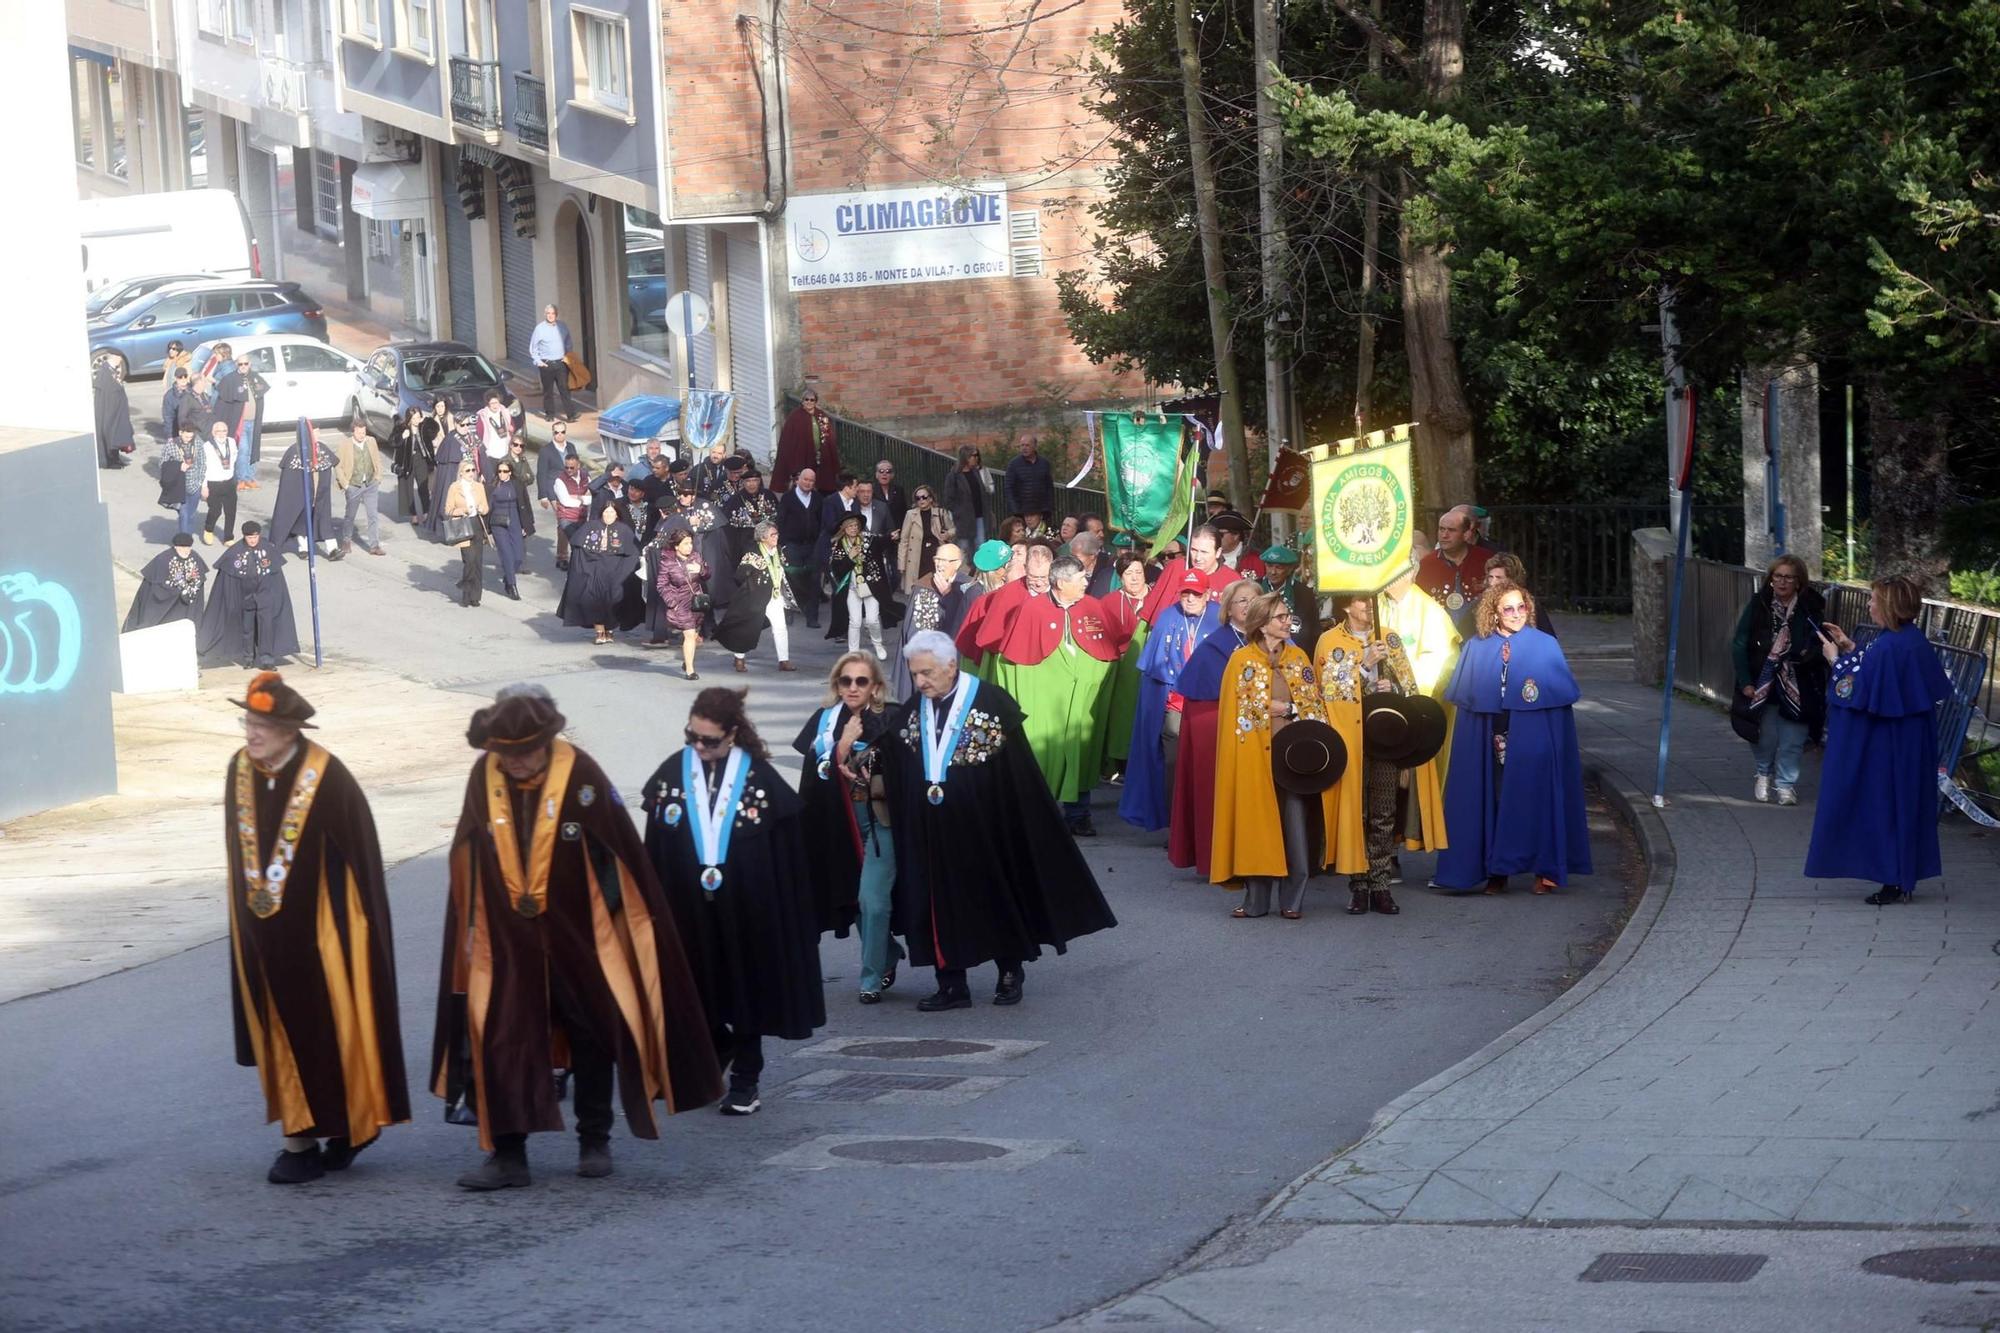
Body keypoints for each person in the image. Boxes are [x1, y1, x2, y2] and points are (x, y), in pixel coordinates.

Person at [437, 687, 722, 1188]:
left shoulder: (582, 774)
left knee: (593, 1034)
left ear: (548, 740)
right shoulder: (484, 776)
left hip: (580, 933)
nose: (517, 763)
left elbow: (618, 853)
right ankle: (508, 1154)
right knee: (505, 1037)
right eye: (507, 753)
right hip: (506, 938)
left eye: (525, 752)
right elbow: (470, 851)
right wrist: (472, 924)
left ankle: (594, 1140)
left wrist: (610, 916)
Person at [223, 672, 409, 1183]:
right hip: (264, 934)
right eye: (248, 721)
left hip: (325, 935)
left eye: (262, 724)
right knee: (278, 1027)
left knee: (331, 1031)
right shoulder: (239, 769)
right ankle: (298, 1144)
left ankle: (352, 1125)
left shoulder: (328, 776)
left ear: (290, 730)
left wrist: (361, 939)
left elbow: (362, 861)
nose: (252, 733)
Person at [885, 631, 1118, 1010]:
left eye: (926, 673)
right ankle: (951, 983)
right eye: (915, 674)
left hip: (985, 825)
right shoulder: (915, 708)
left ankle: (1009, 971)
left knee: (997, 894)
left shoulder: (992, 704)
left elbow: (1018, 774)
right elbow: (897, 758)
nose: (920, 681)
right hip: (932, 830)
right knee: (937, 902)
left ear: (950, 666)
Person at [644, 688, 824, 1116]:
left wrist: (786, 910)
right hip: (688, 906)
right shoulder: (675, 771)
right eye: (692, 735)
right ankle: (714, 1046)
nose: (698, 746)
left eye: (708, 740)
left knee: (746, 990)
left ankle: (746, 1079)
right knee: (691, 985)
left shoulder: (759, 778)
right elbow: (655, 846)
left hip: (747, 908)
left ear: (732, 735)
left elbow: (788, 854)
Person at [1434, 583, 1592, 894]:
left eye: (1522, 607)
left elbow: (1558, 706)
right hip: (1491, 731)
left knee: (1537, 798)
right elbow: (1469, 701)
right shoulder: (1477, 648)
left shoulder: (1545, 646)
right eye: (1509, 609)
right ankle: (1496, 871)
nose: (1517, 614)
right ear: (1493, 613)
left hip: (1533, 733)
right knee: (1494, 798)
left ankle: (1544, 869)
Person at [1806, 575, 1952, 904]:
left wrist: (1833, 657)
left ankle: (1893, 880)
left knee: (1886, 804)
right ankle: (1903, 875)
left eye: (1873, 600)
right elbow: (1879, 675)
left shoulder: (1890, 644)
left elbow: (1855, 691)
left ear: (1888, 605)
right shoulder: (1909, 639)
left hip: (1889, 743)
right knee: (1906, 805)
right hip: (1910, 739)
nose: (1869, 605)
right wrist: (1850, 647)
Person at [974, 553, 1130, 836]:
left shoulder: (1093, 607)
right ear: (1061, 582)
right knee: (1041, 753)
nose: (1086, 583)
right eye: (1080, 579)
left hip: (1082, 699)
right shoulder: (1031, 610)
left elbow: (1111, 650)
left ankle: (1078, 815)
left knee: (1081, 752)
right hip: (1044, 702)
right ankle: (1038, 815)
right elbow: (1013, 661)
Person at [1215, 593, 1330, 919]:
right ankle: (1256, 901)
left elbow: (1314, 705)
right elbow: (1235, 712)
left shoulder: (1298, 658)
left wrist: (1288, 709)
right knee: (1257, 827)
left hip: (1293, 757)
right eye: (1280, 616)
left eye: (1287, 615)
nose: (1286, 621)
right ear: (1262, 623)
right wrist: (1266, 710)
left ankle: (1293, 899)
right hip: (1254, 755)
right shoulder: (1241, 661)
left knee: (1294, 826)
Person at [1314, 593, 1427, 915]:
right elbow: (1327, 692)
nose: (1370, 607)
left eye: (1373, 601)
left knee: (1383, 811)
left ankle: (1381, 884)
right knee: (1356, 811)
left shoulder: (1388, 637)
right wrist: (1363, 667)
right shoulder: (1330, 640)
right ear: (1348, 606)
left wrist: (1392, 687)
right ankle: (1358, 885)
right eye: (1364, 601)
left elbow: (1411, 687)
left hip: (1386, 737)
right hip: (1350, 739)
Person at [797, 655, 898, 1002]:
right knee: (851, 899)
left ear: (875, 686)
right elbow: (813, 779)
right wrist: (842, 745)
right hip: (839, 825)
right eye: (846, 681)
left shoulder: (892, 718)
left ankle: (871, 978)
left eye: (861, 681)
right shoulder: (824, 720)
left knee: (873, 901)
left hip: (880, 825)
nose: (852, 687)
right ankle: (887, 955)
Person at [1168, 579, 1261, 877]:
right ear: (1228, 610)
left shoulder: (1277, 640)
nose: (1248, 606)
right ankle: (1219, 857)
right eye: (1241, 601)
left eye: (1254, 600)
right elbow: (1202, 705)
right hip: (1226, 730)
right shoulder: (1212, 648)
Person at [1120, 570, 1219, 832]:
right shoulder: (1168, 616)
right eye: (1185, 593)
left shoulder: (1219, 617)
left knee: (1209, 767)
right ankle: (1178, 827)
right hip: (1175, 706)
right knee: (1174, 766)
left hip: (1210, 706)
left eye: (1196, 594)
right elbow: (1154, 671)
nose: (1189, 599)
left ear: (1207, 594)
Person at [1730, 555, 1827, 806]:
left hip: (1798, 682)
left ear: (1799, 582)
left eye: (1789, 577)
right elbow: (1740, 643)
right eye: (1778, 576)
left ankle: (1786, 785)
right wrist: (1746, 681)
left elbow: (1820, 642)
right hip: (1763, 680)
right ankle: (1763, 774)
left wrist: (1807, 654)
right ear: (1771, 579)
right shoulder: (1759, 604)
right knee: (1766, 735)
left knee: (1793, 738)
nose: (1782, 582)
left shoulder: (1810, 608)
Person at [199, 522, 301, 669]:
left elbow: (277, 576)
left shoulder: (268, 549)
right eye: (249, 537)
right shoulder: (236, 552)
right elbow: (226, 574)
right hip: (245, 597)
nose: (252, 540)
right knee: (247, 629)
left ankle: (267, 660)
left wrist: (274, 597)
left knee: (266, 628)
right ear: (244, 536)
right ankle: (248, 658)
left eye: (255, 537)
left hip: (265, 596)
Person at [890, 540, 974, 699]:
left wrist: (949, 596)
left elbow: (965, 622)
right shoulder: (924, 586)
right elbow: (912, 628)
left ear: (957, 564)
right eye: (937, 560)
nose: (939, 565)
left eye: (945, 561)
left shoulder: (967, 587)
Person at [1097, 550, 1150, 784]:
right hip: (1120, 670)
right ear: (1120, 577)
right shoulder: (1108, 602)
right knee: (1122, 718)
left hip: (1149, 666)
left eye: (1138, 572)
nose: (1135, 578)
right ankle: (1121, 763)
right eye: (1129, 573)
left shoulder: (1157, 598)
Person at [715, 521, 796, 674]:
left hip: (774, 595)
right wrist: (752, 570)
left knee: (780, 627)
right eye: (773, 535)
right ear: (763, 537)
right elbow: (739, 576)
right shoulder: (752, 553)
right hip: (755, 597)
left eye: (776, 534)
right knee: (747, 627)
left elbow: (783, 569)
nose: (776, 537)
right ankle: (739, 658)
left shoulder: (778, 550)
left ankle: (783, 660)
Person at [559, 502, 643, 644]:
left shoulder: (624, 530)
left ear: (617, 514)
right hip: (594, 569)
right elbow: (579, 547)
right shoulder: (591, 526)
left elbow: (633, 553)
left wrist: (624, 572)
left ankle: (609, 630)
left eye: (611, 513)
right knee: (594, 599)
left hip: (615, 571)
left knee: (613, 599)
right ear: (601, 513)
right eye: (606, 512)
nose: (608, 515)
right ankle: (599, 632)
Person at [1417, 505, 1497, 639]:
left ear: (1466, 534)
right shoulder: (1426, 565)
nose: (1444, 535)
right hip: (1438, 639)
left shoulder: (1487, 561)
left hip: (1482, 637)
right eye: (1441, 529)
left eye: (1451, 530)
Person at [826, 510, 895, 660]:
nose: (853, 528)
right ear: (844, 528)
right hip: (851, 588)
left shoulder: (868, 539)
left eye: (856, 525)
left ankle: (878, 644)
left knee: (872, 620)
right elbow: (837, 570)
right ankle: (853, 652)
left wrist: (891, 537)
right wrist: (850, 558)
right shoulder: (838, 546)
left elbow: (882, 542)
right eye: (850, 526)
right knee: (855, 621)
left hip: (871, 586)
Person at [269, 431, 343, 561]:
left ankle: (332, 549)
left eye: (318, 432)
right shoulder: (295, 451)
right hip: (301, 493)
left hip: (319, 493)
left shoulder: (322, 449)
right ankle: (303, 548)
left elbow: (333, 463)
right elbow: (289, 479)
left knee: (324, 521)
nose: (317, 435)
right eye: (314, 432)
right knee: (301, 520)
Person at [1138, 526, 1236, 624]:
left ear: (1218, 552)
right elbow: (1150, 610)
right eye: (1194, 550)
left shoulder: (1231, 580)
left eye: (1204, 552)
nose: (1198, 558)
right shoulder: (1176, 567)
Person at [648, 527, 709, 679]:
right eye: (686, 543)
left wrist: (701, 569)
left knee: (693, 634)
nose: (690, 546)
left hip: (696, 601)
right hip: (679, 601)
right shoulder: (667, 562)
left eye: (691, 543)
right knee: (689, 634)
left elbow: (708, 574)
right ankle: (690, 670)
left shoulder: (696, 557)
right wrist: (672, 601)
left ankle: (687, 660)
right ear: (677, 546)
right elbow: (661, 585)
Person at [124, 532, 207, 630]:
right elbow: (155, 591)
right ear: (176, 547)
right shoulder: (163, 560)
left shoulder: (194, 559)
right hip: (165, 610)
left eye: (188, 547)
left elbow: (197, 579)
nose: (186, 551)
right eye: (183, 547)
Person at [776, 465, 824, 627]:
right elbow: (780, 521)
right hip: (792, 545)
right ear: (798, 480)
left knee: (814, 580)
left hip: (812, 546)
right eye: (805, 479)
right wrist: (781, 543)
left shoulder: (818, 499)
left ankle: (812, 617)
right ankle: (790, 610)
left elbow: (821, 522)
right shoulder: (788, 498)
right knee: (792, 578)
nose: (808, 483)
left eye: (811, 481)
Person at [771, 387, 840, 493]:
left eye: (812, 400)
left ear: (816, 401)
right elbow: (788, 439)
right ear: (802, 401)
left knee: (821, 481)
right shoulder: (795, 416)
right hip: (802, 455)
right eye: (806, 399)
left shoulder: (821, 415)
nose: (809, 402)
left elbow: (828, 434)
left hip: (820, 454)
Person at [333, 420, 385, 559]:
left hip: (370, 484)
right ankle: (346, 540)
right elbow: (337, 466)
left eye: (364, 432)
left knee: (373, 515)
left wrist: (378, 477)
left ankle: (374, 546)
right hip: (353, 485)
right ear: (353, 432)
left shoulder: (371, 441)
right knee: (350, 516)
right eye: (359, 432)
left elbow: (377, 459)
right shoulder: (345, 445)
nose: (362, 435)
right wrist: (345, 484)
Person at [487, 456, 534, 600]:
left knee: (518, 556)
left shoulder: (517, 485)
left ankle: (508, 576)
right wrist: (488, 531)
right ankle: (512, 585)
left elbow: (526, 504)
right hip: (497, 522)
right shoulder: (492, 486)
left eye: (505, 471)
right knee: (507, 554)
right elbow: (487, 508)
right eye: (499, 471)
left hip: (514, 520)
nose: (502, 474)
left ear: (510, 472)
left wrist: (527, 524)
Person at [896, 483, 956, 591]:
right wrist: (901, 563)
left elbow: (954, 529)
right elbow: (904, 540)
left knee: (937, 586)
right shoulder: (910, 515)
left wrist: (947, 534)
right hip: (917, 557)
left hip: (936, 555)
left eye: (924, 497)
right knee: (918, 588)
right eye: (917, 498)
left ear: (931, 499)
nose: (921, 500)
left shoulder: (941, 513)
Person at [1482, 552, 1559, 635]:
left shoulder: (1529, 604)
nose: (1492, 583)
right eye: (1491, 577)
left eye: (1499, 578)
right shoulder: (1479, 605)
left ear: (1511, 579)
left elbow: (1547, 640)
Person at [1260, 545, 1321, 646]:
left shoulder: (1304, 593)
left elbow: (1313, 631)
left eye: (1278, 567)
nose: (1273, 572)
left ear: (1289, 569)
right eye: (1269, 566)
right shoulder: (1255, 589)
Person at [530, 304, 578, 423]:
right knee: (548, 391)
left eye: (553, 313)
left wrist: (567, 356)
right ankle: (549, 414)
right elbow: (533, 347)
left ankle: (570, 415)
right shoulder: (539, 328)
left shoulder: (562, 326)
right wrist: (539, 362)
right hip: (547, 364)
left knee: (564, 389)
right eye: (548, 313)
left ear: (556, 314)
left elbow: (568, 342)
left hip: (560, 363)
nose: (551, 316)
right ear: (545, 314)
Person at [721, 467, 777, 565]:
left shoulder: (769, 495)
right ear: (743, 483)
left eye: (755, 480)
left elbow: (778, 518)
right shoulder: (735, 500)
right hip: (743, 544)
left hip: (768, 541)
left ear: (759, 481)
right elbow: (728, 527)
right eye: (748, 481)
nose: (751, 484)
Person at [390, 410, 435, 525]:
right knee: (408, 489)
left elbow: (435, 430)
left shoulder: (423, 427)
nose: (416, 420)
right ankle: (413, 515)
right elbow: (392, 441)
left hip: (421, 459)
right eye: (414, 418)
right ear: (409, 419)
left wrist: (427, 419)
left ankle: (426, 512)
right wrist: (402, 437)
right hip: (407, 461)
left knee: (423, 487)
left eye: (418, 417)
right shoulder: (401, 428)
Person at [163, 422, 207, 541]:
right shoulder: (171, 445)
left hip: (195, 485)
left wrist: (201, 484)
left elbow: (203, 464)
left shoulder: (198, 442)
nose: (189, 439)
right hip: (179, 486)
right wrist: (178, 466)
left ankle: (188, 536)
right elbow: (162, 464)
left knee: (191, 515)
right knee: (183, 514)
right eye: (186, 436)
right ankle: (184, 541)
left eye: (191, 437)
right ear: (180, 433)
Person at [941, 444, 989, 549]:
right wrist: (959, 511)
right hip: (964, 518)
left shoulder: (975, 472)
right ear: (966, 457)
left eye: (977, 456)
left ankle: (979, 566)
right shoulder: (954, 476)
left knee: (981, 544)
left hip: (979, 514)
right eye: (974, 455)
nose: (976, 458)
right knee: (964, 547)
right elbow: (948, 498)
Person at [550, 448, 591, 570]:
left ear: (578, 466)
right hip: (566, 516)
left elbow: (592, 497)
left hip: (582, 516)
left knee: (583, 541)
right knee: (573, 540)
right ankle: (564, 559)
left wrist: (578, 498)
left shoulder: (585, 477)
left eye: (571, 468)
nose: (568, 470)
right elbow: (565, 501)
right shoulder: (559, 480)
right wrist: (583, 499)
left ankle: (577, 562)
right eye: (566, 467)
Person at [200, 419, 239, 546]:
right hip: (213, 483)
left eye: (224, 431)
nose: (222, 434)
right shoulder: (207, 446)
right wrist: (204, 486)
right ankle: (208, 529)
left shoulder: (232, 442)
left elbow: (234, 457)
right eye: (219, 431)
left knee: (231, 511)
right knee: (215, 510)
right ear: (213, 432)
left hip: (229, 482)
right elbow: (203, 467)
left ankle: (228, 537)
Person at [93, 359, 135, 469]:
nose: (119, 363)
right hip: (109, 412)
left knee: (115, 436)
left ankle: (115, 459)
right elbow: (108, 394)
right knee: (110, 436)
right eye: (118, 360)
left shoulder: (111, 370)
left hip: (115, 412)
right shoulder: (105, 373)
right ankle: (109, 461)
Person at [1004, 433, 1054, 520]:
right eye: (1022, 445)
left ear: (1034, 446)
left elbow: (1049, 487)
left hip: (1041, 510)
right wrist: (1015, 510)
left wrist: (1048, 507)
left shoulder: (1044, 463)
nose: (1024, 448)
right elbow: (1009, 488)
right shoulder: (1014, 464)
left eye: (1027, 445)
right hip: (1021, 511)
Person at [1211, 513, 1266, 580]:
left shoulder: (1255, 560)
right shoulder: (1208, 558)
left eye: (1220, 534)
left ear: (1235, 536)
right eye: (1213, 535)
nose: (1216, 538)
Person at [475, 390, 515, 462]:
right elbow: (479, 434)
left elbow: (512, 427)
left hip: (505, 451)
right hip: (491, 453)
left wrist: (511, 429)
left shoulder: (505, 413)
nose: (495, 405)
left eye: (496, 403)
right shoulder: (483, 416)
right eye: (492, 403)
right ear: (488, 404)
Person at [873, 459, 909, 528]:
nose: (884, 474)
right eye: (881, 471)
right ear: (876, 475)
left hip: (896, 530)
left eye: (888, 471)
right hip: (878, 531)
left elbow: (903, 512)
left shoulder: (899, 490)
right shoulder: (871, 490)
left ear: (892, 475)